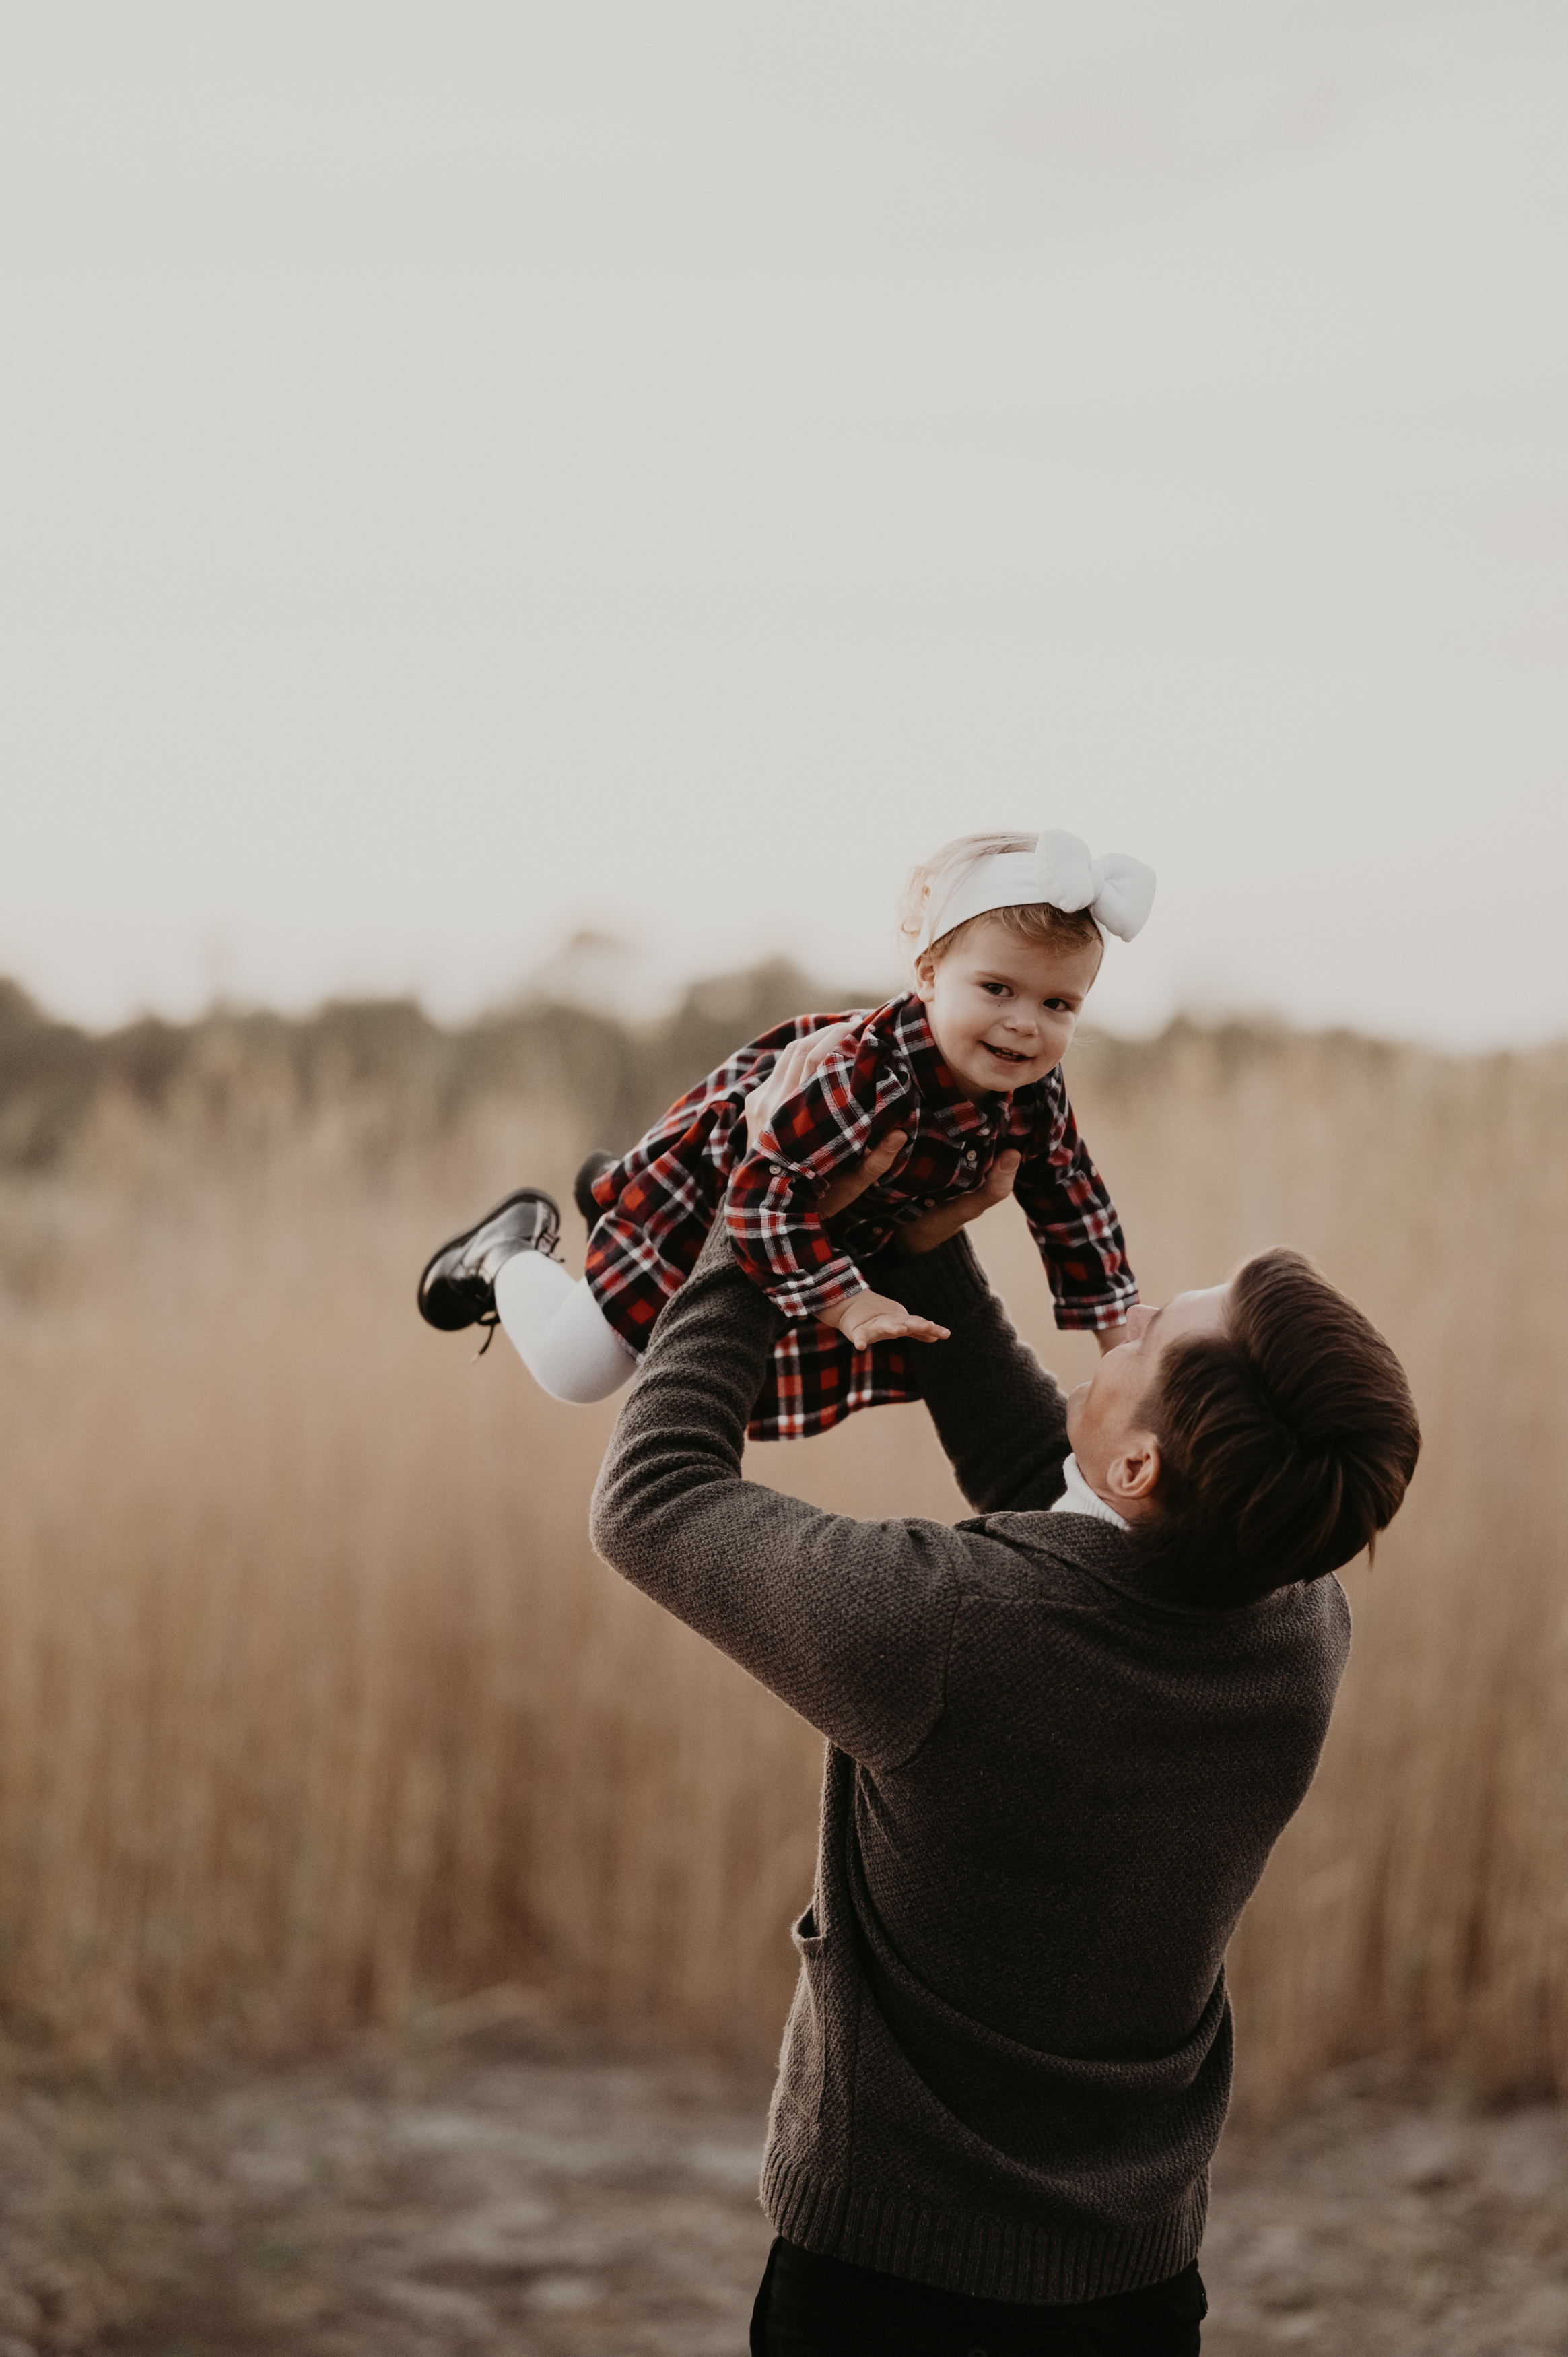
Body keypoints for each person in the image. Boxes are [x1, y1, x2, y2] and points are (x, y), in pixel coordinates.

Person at [583, 1029, 1421, 2354]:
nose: (1125, 1317)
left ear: (1144, 1464)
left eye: (1149, 1335)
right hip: (1138, 2285)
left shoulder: (951, 1626)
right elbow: (1063, 1501)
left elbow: (656, 1504)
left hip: (886, 2289)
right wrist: (928, 1236)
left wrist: (764, 1206)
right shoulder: (1300, 1622)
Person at [416, 825, 1155, 1441]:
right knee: (578, 1372)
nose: (1026, 1022)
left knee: (715, 1374)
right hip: (712, 1203)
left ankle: (607, 1194)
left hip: (815, 1227)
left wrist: (1118, 1332)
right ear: (927, 974)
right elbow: (761, 1200)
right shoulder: (866, 1077)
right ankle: (508, 1250)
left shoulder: (1032, 1084)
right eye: (996, 988)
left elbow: (1071, 1200)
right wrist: (848, 1303)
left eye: (1059, 1004)